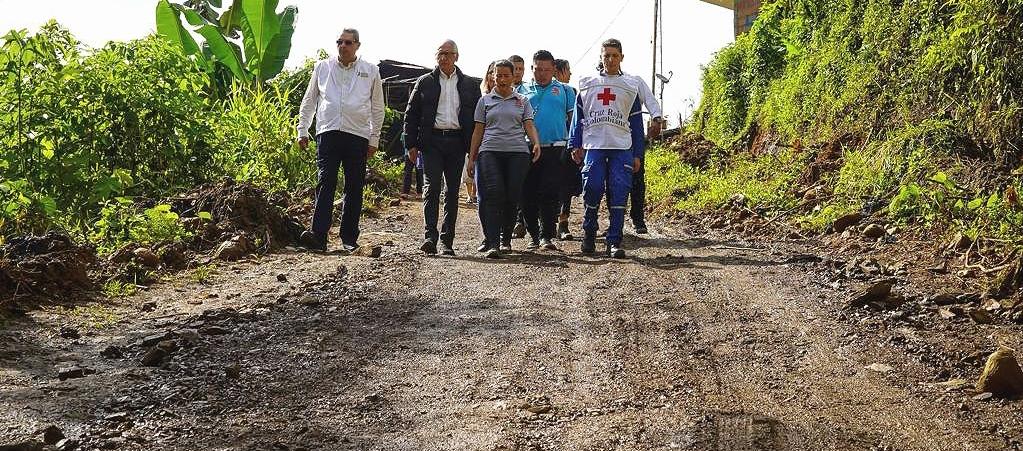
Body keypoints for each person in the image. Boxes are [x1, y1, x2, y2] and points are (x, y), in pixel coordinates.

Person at [297, 28, 384, 253]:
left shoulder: (371, 71)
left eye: (347, 42)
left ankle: (349, 238)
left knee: (354, 185)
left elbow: (377, 108)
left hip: (357, 135)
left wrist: (374, 138)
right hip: (328, 132)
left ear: (357, 45)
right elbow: (310, 100)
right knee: (326, 181)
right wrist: (302, 130)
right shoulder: (323, 68)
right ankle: (318, 236)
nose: (342, 46)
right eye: (339, 42)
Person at [403, 40, 483, 256]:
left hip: (457, 142)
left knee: (452, 192)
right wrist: (410, 143)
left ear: (457, 56)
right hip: (432, 142)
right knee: (431, 188)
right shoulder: (424, 82)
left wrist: (474, 148)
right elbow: (411, 114)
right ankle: (430, 237)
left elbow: (478, 119)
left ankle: (447, 241)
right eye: (440, 54)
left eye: (448, 54)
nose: (444, 58)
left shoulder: (469, 85)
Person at [569, 38, 646, 258]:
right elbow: (578, 117)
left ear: (622, 57)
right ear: (601, 57)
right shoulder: (588, 84)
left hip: (621, 146)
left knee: (620, 191)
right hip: (594, 145)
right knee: (592, 187)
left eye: (614, 55)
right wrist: (575, 143)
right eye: (606, 55)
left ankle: (614, 240)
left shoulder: (629, 87)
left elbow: (637, 123)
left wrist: (638, 153)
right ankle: (589, 233)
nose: (610, 60)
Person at [467, 59, 541, 258]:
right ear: (492, 76)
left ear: (513, 77)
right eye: (497, 75)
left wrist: (535, 142)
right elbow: (477, 131)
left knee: (512, 194)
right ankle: (492, 242)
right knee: (493, 192)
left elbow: (529, 125)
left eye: (505, 75)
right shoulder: (484, 101)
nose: (501, 79)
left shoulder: (522, 101)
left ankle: (505, 239)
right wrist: (471, 157)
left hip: (517, 152)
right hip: (489, 151)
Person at [516, 50, 575, 250]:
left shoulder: (565, 91)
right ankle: (533, 233)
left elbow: (573, 120)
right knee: (527, 193)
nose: (542, 73)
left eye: (547, 70)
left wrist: (574, 145)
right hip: (527, 148)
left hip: (555, 148)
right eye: (538, 69)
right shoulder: (521, 90)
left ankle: (546, 236)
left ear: (553, 70)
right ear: (532, 69)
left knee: (549, 193)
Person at [553, 58, 580, 240]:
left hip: (566, 145)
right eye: (568, 70)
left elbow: (575, 120)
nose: (570, 74)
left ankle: (563, 223)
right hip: (548, 145)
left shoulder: (573, 92)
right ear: (560, 71)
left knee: (566, 186)